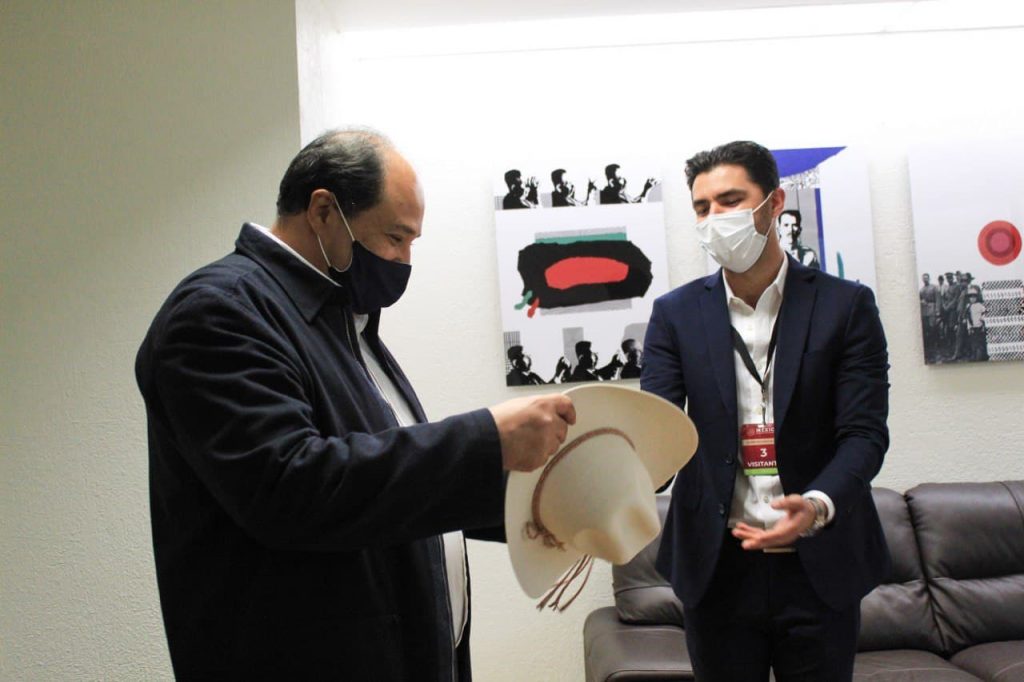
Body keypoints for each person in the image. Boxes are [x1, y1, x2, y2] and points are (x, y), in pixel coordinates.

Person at [135, 129, 577, 680]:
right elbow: (292, 490)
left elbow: (387, 488)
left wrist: (550, 501)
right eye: (395, 237)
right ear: (323, 211)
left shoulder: (340, 321)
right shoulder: (220, 313)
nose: (404, 260)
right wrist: (488, 438)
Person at [641, 140, 890, 680]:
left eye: (731, 200)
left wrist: (817, 505)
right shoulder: (674, 315)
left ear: (774, 202)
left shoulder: (846, 306)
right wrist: (598, 499)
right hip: (718, 566)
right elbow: (657, 435)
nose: (715, 218)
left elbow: (864, 434)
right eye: (702, 207)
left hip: (819, 562)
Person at [505, 344, 570, 385]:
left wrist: (558, 372)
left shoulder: (533, 375)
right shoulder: (510, 380)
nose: (529, 357)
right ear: (515, 363)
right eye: (525, 355)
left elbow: (546, 389)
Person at [919, 272, 941, 363]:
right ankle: (929, 347)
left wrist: (937, 311)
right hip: (924, 311)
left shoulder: (934, 287)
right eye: (924, 278)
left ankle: (936, 345)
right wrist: (921, 301)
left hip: (932, 308)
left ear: (929, 278)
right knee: (926, 329)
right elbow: (919, 299)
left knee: (933, 328)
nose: (925, 279)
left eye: (926, 278)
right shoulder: (921, 290)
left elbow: (938, 299)